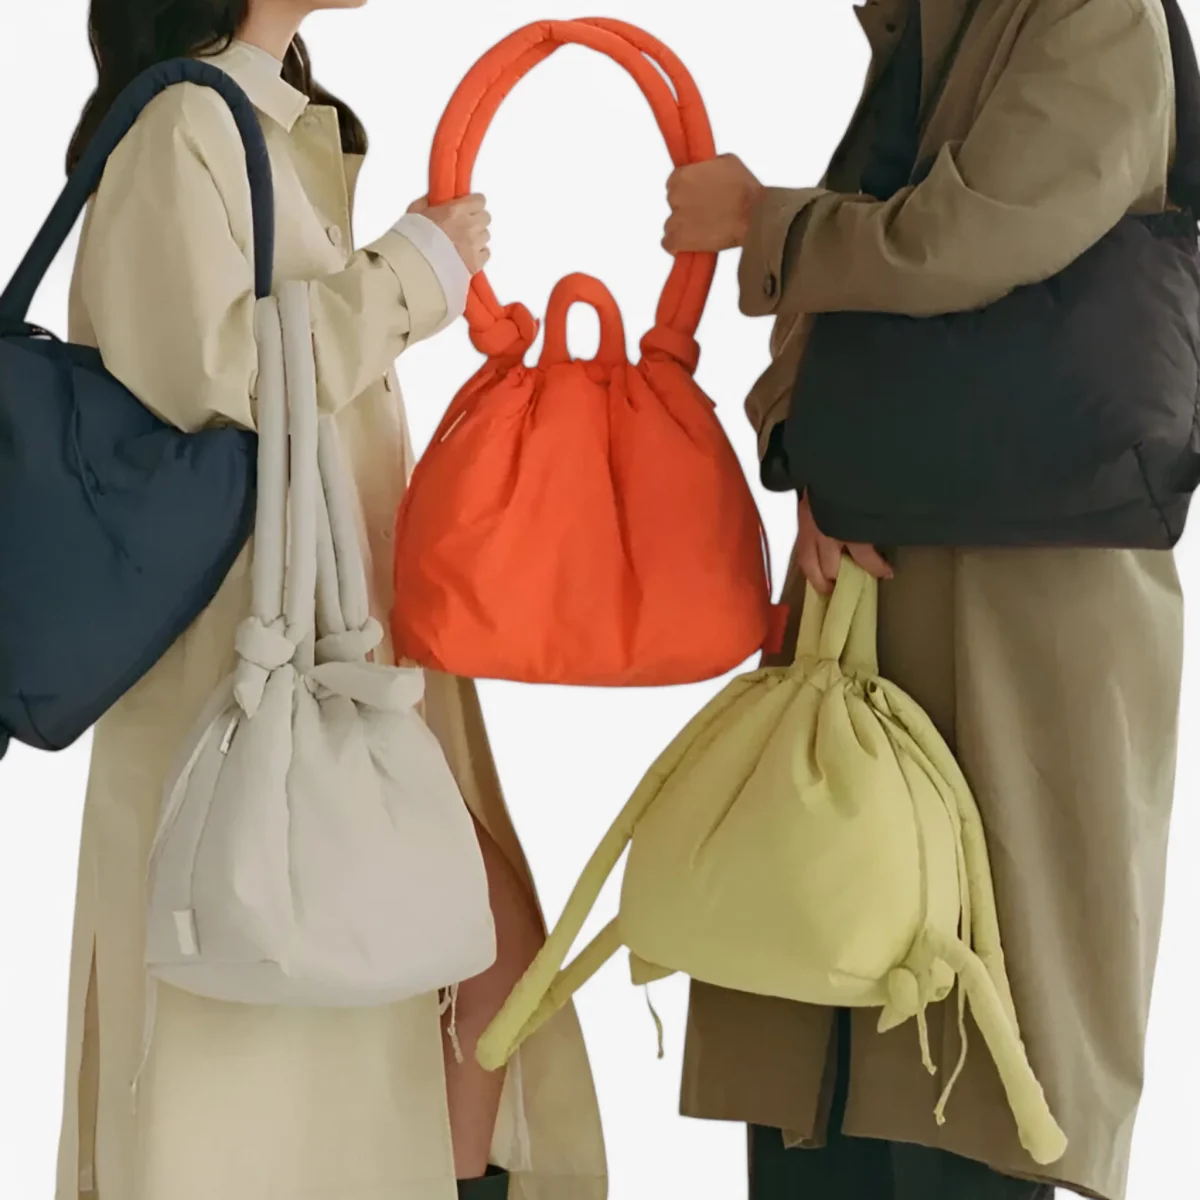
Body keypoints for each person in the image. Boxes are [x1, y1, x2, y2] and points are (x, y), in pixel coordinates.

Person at [57, 3, 605, 1198]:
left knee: (462, 953)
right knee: (321, 1001)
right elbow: (214, 374)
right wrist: (411, 273)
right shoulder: (181, 126)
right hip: (254, 654)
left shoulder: (256, 121)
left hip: (339, 639)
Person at [664, 0, 1183, 1197]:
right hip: (877, 573)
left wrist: (760, 219)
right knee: (825, 973)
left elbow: (974, 234)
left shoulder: (1090, 14)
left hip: (1022, 599)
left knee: (984, 1019)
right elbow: (848, 298)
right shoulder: (935, 29)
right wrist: (804, 451)